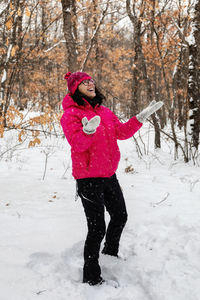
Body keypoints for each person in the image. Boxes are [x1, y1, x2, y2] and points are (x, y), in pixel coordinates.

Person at [60, 71, 163, 286]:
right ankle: (91, 276)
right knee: (97, 227)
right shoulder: (71, 115)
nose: (90, 84)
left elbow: (121, 132)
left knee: (120, 216)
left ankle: (110, 253)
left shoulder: (105, 112)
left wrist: (139, 118)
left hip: (108, 174)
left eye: (91, 81)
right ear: (74, 88)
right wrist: (87, 132)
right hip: (88, 177)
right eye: (84, 82)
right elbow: (77, 144)